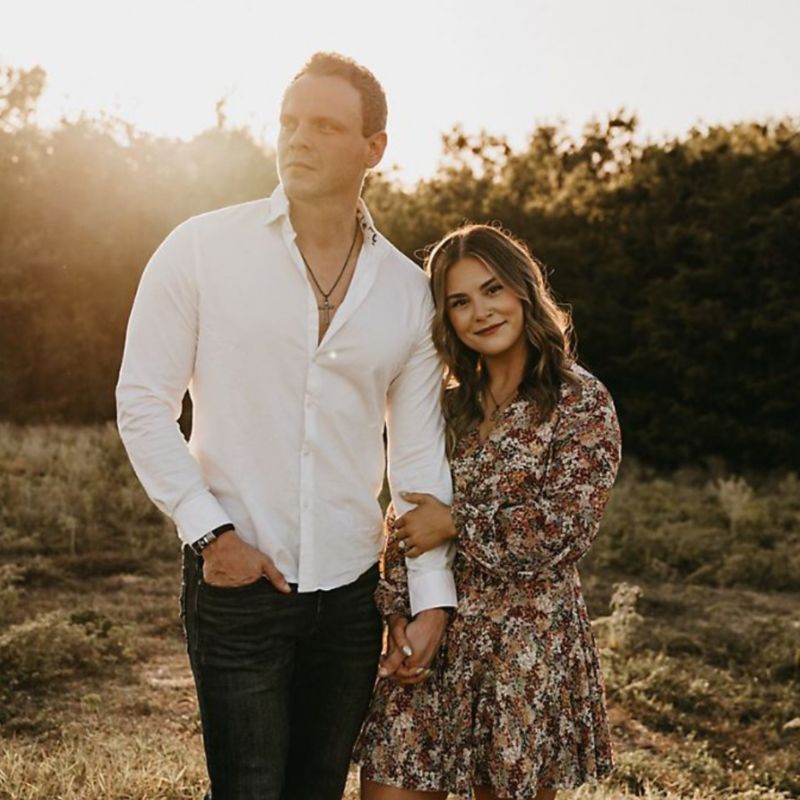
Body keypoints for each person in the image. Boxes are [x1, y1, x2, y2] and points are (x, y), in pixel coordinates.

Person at [116, 52, 456, 800]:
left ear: (374, 148)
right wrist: (211, 535)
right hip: (237, 579)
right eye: (289, 121)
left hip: (352, 593)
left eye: (325, 126)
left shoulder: (408, 292)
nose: (298, 139)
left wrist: (430, 596)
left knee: (318, 789)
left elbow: (419, 460)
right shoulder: (200, 249)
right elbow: (142, 403)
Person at [354, 223, 622, 800]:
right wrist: (398, 611)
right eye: (460, 302)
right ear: (446, 318)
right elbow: (406, 512)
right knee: (388, 785)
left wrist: (457, 522)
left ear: (523, 290)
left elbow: (565, 528)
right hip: (436, 632)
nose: (481, 312)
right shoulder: (446, 406)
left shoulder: (579, 401)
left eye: (492, 289)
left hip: (524, 646)